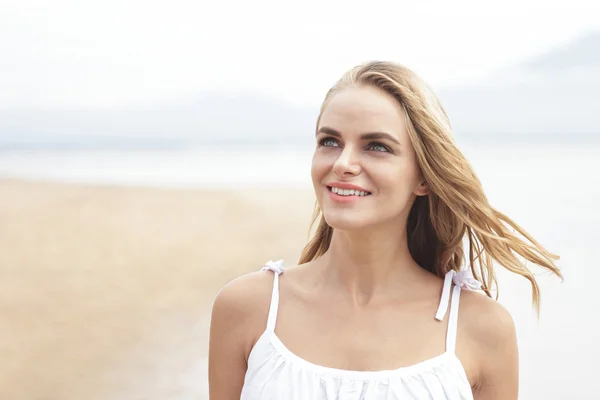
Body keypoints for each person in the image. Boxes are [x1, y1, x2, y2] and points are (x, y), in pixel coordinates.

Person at [208, 61, 562, 399]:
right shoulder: (248, 308)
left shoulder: (481, 328)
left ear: (424, 177)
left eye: (376, 146)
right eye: (329, 141)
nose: (343, 163)